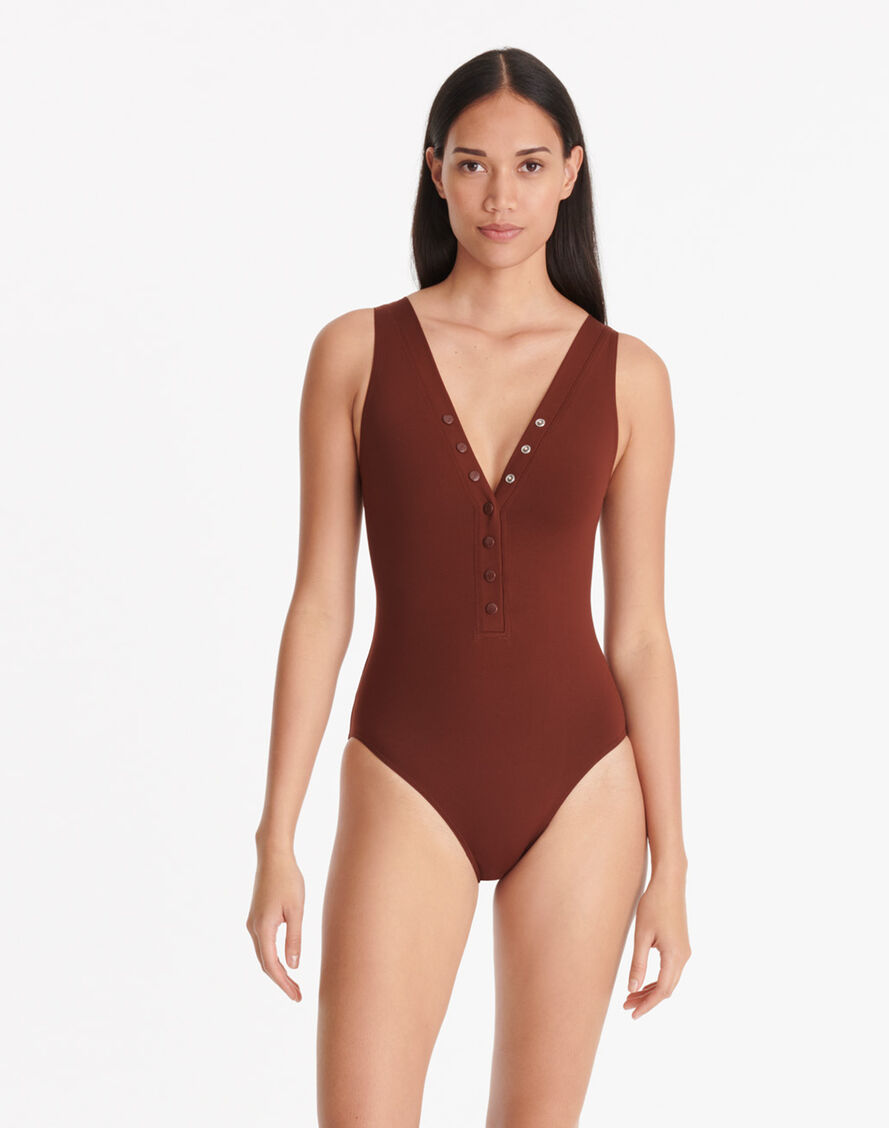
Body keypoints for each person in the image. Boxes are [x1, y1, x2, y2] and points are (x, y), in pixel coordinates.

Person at [247, 46, 691, 1127]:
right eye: (474, 165)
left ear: (571, 173)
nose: (501, 197)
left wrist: (672, 864)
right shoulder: (353, 354)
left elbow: (639, 632)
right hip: (407, 770)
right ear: (434, 169)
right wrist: (276, 835)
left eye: (530, 166)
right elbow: (320, 605)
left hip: (585, 785)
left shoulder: (631, 375)